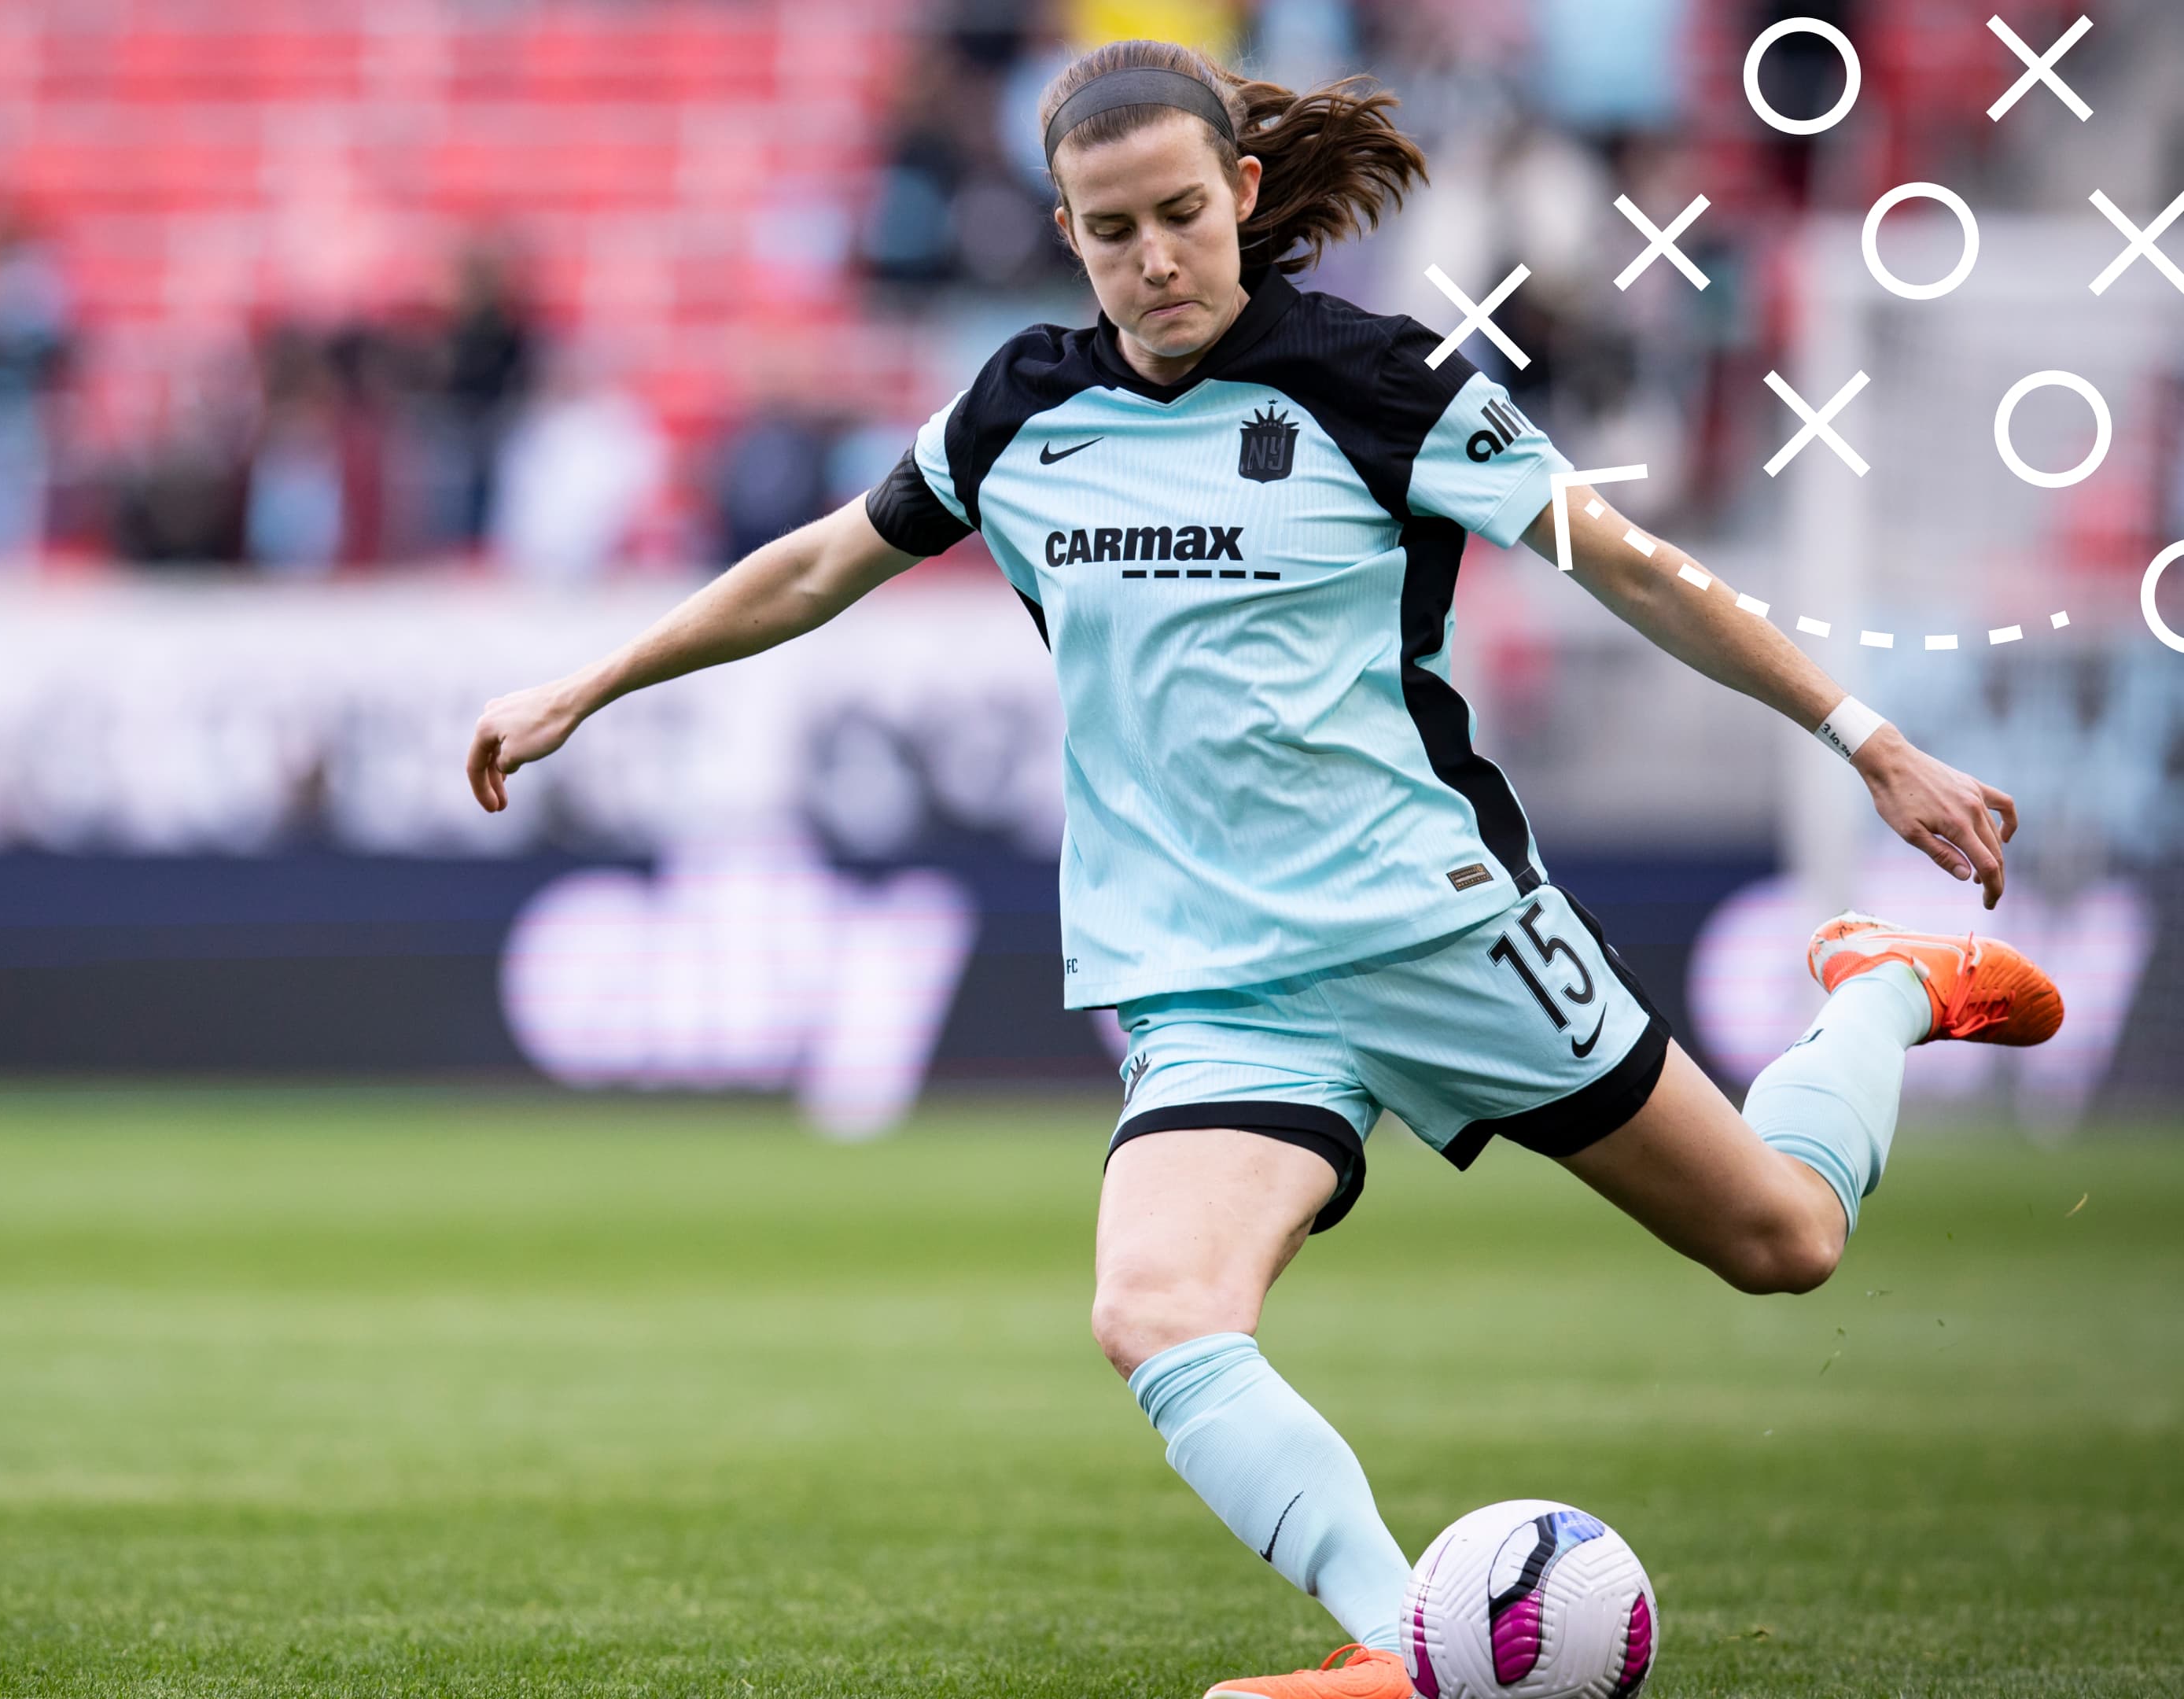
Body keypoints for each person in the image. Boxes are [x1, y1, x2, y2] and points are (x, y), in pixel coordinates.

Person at [462, 39, 2062, 1699]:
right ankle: (1406, 1645)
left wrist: (1866, 735)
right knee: (1156, 1310)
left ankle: (1880, 990)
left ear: (1240, 194)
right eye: (1106, 230)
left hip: (1438, 933)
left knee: (1783, 1239)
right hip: (1213, 978)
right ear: (1064, 232)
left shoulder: (1379, 386)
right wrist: (590, 683)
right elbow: (814, 565)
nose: (1152, 260)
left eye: (1177, 214)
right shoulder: (1023, 408)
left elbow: (1638, 570)